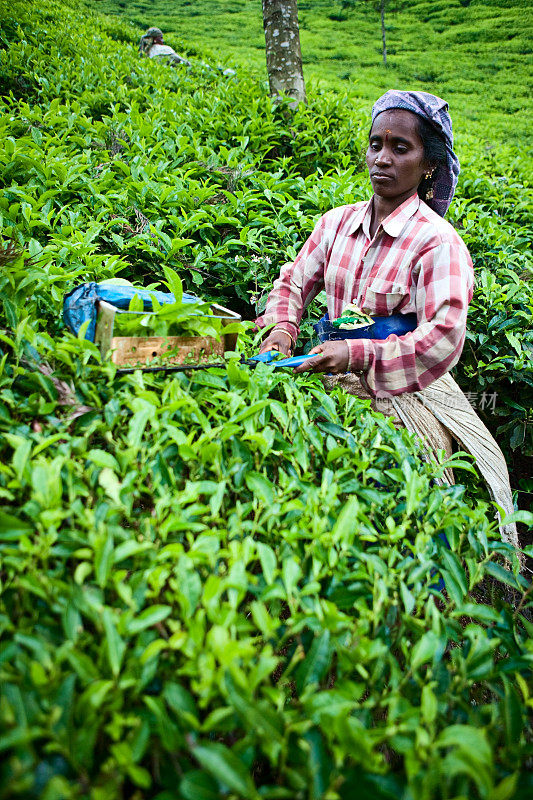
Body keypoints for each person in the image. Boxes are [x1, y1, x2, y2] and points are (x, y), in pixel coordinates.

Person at [256, 90, 519, 551]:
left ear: (429, 165)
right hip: (328, 381)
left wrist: (357, 352)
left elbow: (443, 337)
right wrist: (282, 328)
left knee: (396, 525)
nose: (383, 158)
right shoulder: (335, 224)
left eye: (401, 148)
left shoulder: (438, 243)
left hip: (403, 396)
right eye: (376, 144)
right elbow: (292, 284)